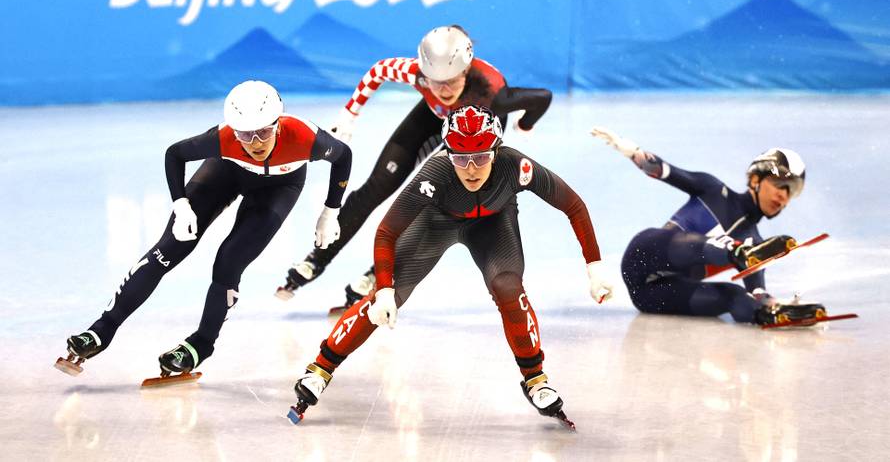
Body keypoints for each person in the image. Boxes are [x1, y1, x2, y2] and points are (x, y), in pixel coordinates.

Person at [288, 105, 613, 427]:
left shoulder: (517, 166)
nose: (471, 169)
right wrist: (385, 288)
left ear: (497, 151)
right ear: (448, 153)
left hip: (493, 225)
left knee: (508, 287)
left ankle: (536, 379)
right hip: (436, 223)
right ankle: (320, 368)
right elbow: (387, 231)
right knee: (382, 300)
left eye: (481, 157)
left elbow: (573, 204)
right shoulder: (435, 173)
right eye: (460, 158)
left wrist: (594, 265)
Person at [55, 80, 352, 378]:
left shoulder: (305, 137)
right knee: (169, 249)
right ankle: (100, 330)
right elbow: (175, 154)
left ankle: (201, 344)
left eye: (263, 131)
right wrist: (180, 204)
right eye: (245, 134)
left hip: (279, 188)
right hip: (225, 173)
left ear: (278, 123)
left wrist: (331, 212)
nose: (255, 143)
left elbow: (344, 157)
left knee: (229, 262)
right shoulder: (224, 139)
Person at [277, 25, 553, 310]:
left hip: (471, 131)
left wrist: (524, 123)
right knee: (377, 186)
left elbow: (542, 97)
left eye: (450, 81)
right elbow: (377, 71)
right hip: (432, 117)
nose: (443, 89)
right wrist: (350, 113)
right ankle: (316, 259)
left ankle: (379, 272)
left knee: (426, 200)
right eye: (435, 81)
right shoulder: (415, 72)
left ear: (465, 72)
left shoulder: (494, 93)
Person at [590, 126, 813, 325]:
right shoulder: (713, 190)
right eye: (779, 184)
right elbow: (663, 170)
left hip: (652, 296)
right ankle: (735, 252)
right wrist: (631, 151)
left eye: (790, 190)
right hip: (643, 255)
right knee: (726, 249)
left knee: (734, 295)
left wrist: (776, 306)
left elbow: (757, 293)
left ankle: (768, 317)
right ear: (755, 180)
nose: (783, 196)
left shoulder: (755, 244)